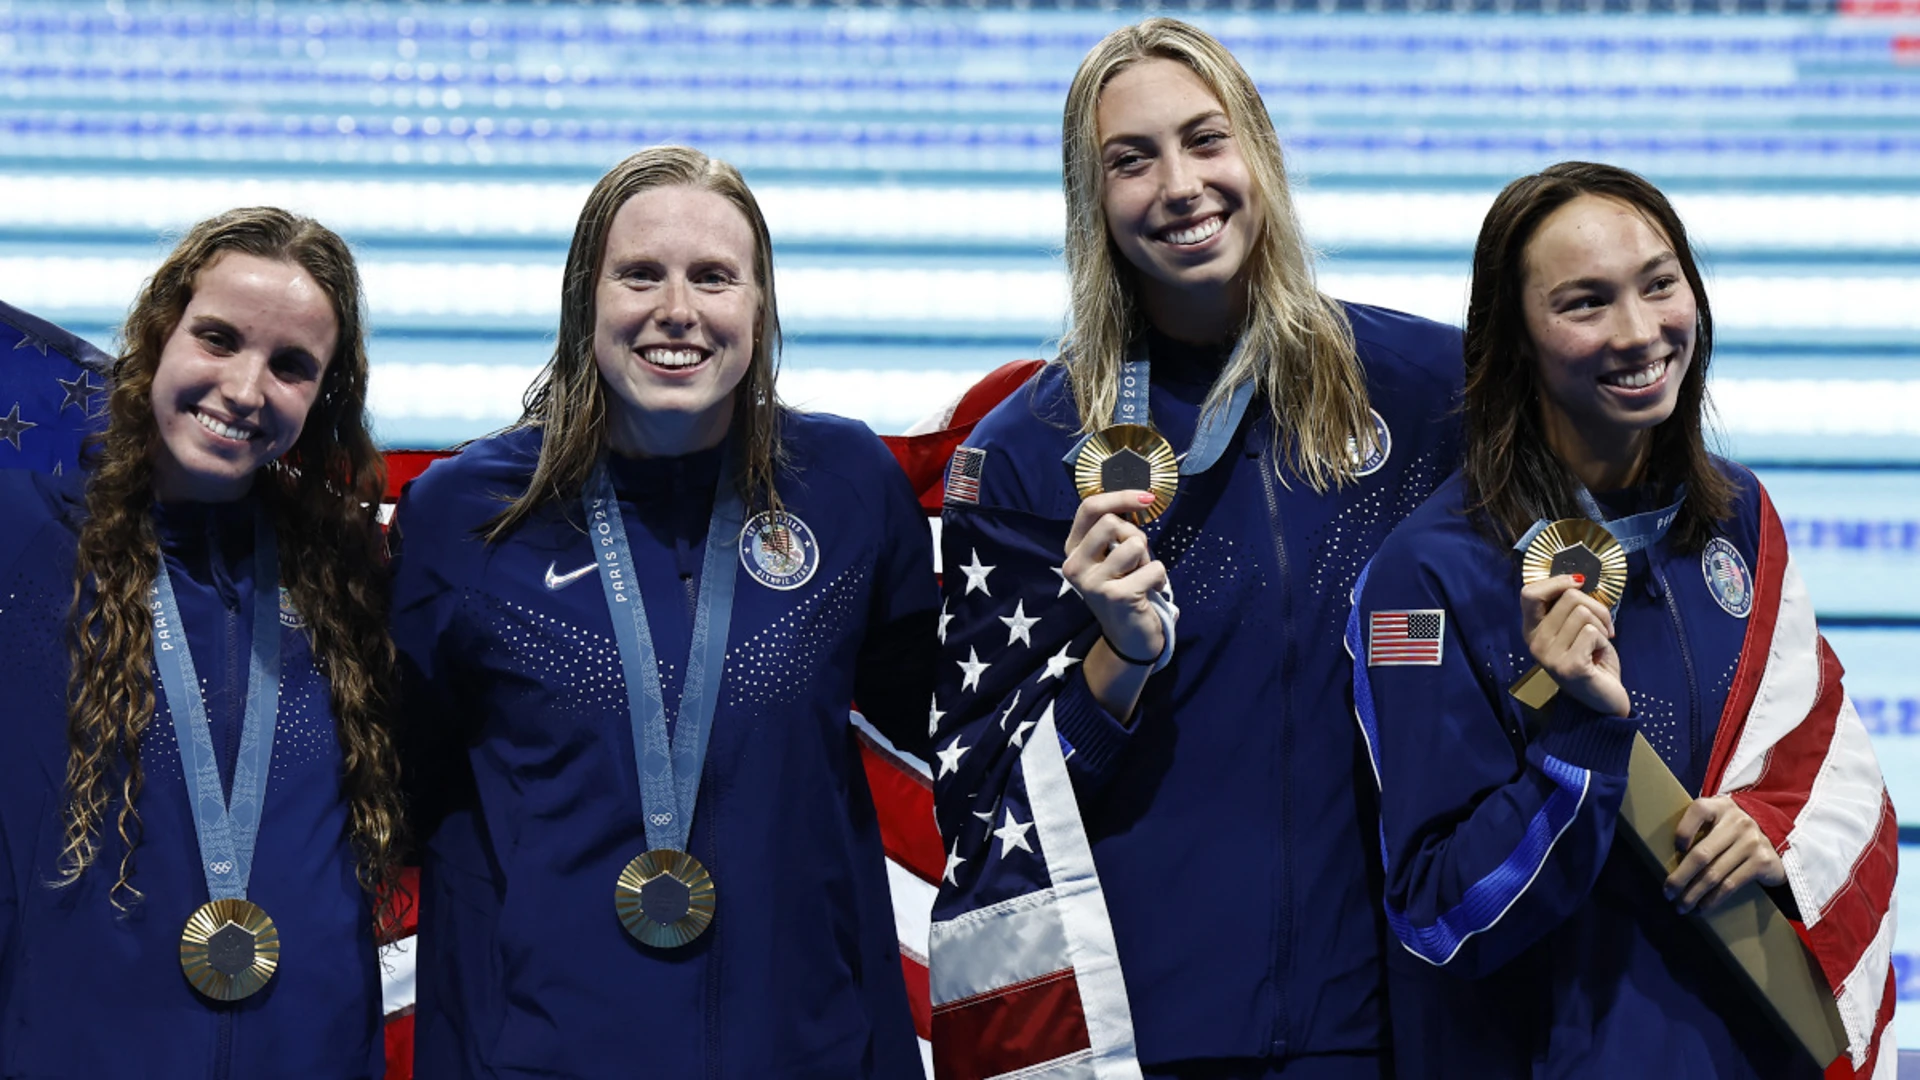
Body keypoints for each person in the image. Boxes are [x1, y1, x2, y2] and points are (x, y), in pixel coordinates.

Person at [928, 18, 1464, 1079]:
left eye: (1205, 140)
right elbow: (986, 810)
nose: (1180, 185)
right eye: (1132, 159)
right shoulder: (1032, 456)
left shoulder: (1427, 392)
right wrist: (1114, 666)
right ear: (1093, 202)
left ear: (1257, 150)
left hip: (1396, 1029)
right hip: (1159, 1039)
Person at [390, 145, 936, 1078]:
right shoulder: (466, 518)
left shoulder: (847, 491)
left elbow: (935, 737)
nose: (676, 310)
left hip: (803, 1053)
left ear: (759, 310)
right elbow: (407, 797)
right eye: (640, 275)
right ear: (583, 301)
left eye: (714, 278)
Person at [1351, 161, 1896, 1077]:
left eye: (1659, 283)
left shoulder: (1737, 515)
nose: (1640, 332)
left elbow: (1817, 761)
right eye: (1585, 303)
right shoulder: (1427, 576)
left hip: (1748, 1052)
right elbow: (1439, 915)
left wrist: (1773, 830)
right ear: (1514, 340)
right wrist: (1575, 746)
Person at [0, 208, 405, 1076]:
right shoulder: (27, 545)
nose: (246, 389)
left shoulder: (353, 579)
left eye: (292, 367)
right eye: (218, 338)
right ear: (159, 335)